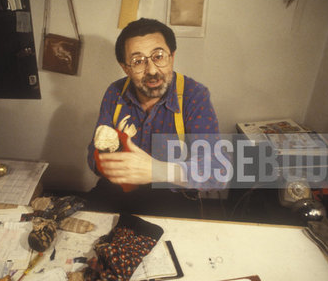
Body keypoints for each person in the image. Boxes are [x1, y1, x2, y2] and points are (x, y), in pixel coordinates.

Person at [86, 18, 227, 217]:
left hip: (174, 198)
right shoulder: (115, 93)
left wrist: (155, 170)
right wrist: (104, 161)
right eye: (138, 61)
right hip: (117, 192)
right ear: (125, 67)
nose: (152, 71)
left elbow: (217, 170)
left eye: (158, 57)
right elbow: (93, 153)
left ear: (172, 56)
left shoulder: (193, 96)